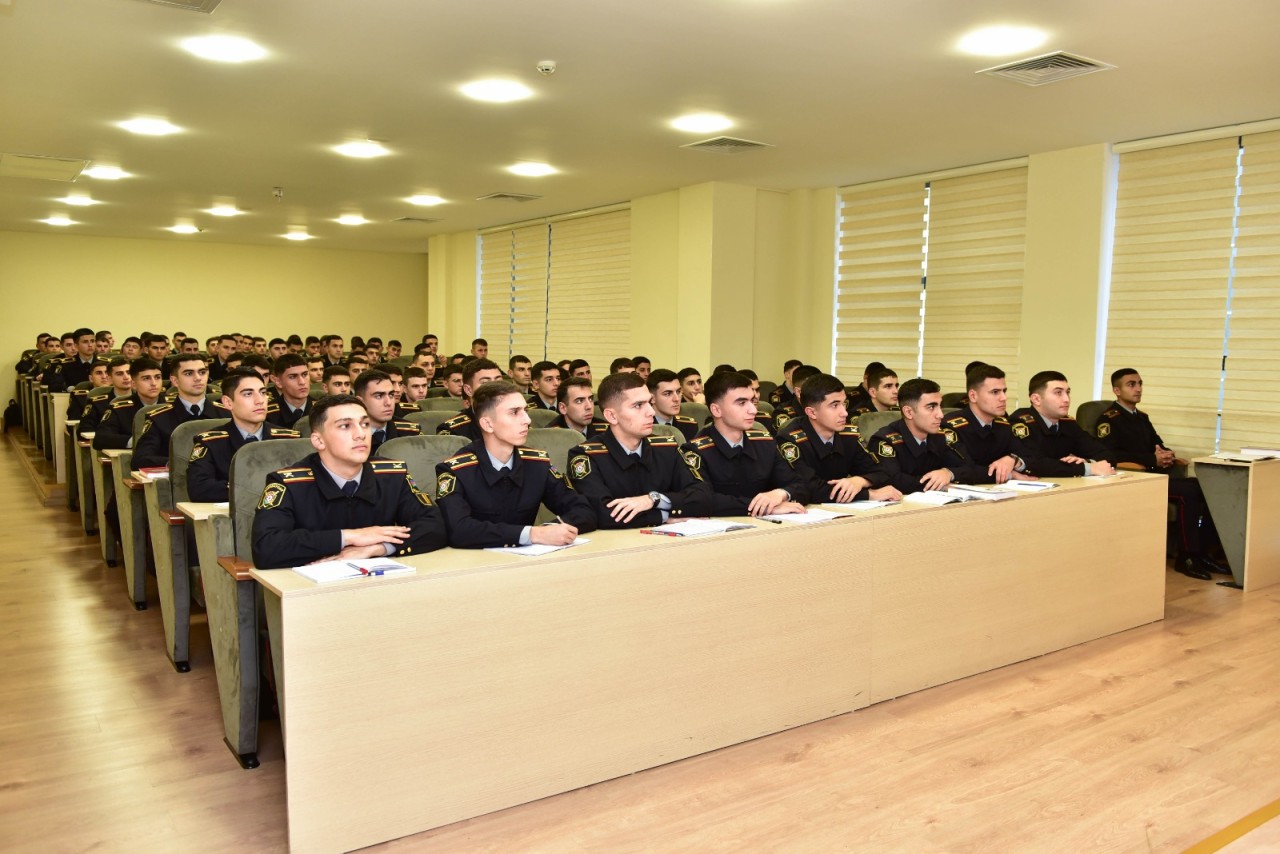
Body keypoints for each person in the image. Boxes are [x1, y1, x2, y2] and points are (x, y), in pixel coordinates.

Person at [251, 395, 447, 569]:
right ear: (319, 441)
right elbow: (266, 546)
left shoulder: (392, 475)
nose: (360, 434)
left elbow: (435, 525)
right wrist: (349, 537)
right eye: (345, 426)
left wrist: (378, 548)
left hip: (381, 583)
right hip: (312, 588)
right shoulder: (288, 483)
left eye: (365, 424)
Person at [1095, 368, 1225, 579]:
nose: (1138, 388)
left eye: (1140, 383)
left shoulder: (1141, 417)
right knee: (1188, 492)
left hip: (1154, 475)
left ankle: (1202, 552)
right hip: (1133, 478)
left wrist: (1167, 454)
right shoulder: (1109, 420)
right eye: (1131, 384)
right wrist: (1150, 459)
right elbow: (1109, 455)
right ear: (1116, 390)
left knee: (1205, 487)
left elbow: (1157, 443)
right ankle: (1186, 557)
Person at [434, 381, 596, 548]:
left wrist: (549, 530)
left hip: (529, 559)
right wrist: (531, 534)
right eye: (514, 412)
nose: (527, 420)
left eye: (525, 411)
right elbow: (459, 530)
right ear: (487, 424)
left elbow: (583, 510)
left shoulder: (537, 464)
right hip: (473, 560)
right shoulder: (456, 470)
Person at [567, 372, 712, 528]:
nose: (651, 412)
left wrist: (653, 499)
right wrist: (662, 516)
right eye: (638, 405)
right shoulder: (586, 456)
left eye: (649, 402)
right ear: (612, 416)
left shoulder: (666, 448)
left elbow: (703, 496)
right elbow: (602, 514)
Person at [681, 371, 807, 517]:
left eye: (752, 401)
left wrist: (781, 493)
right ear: (716, 410)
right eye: (741, 403)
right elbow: (702, 500)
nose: (753, 410)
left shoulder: (765, 444)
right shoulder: (695, 451)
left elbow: (800, 486)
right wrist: (763, 507)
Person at [778, 373, 901, 503]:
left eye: (844, 404)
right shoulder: (790, 440)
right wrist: (869, 495)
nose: (845, 413)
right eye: (834, 405)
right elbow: (808, 488)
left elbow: (881, 472)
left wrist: (860, 481)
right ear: (812, 412)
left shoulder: (848, 435)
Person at [187, 371, 301, 502]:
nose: (260, 401)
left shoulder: (289, 440)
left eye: (263, 392)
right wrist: (259, 488)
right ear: (228, 402)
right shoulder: (210, 442)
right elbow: (198, 488)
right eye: (248, 394)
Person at [869, 378, 984, 494]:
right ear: (908, 412)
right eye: (931, 407)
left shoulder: (940, 436)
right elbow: (891, 480)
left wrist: (948, 473)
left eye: (940, 406)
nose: (940, 415)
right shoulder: (884, 441)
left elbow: (969, 468)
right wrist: (939, 485)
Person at [131, 353, 230, 469]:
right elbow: (140, 459)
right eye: (189, 373)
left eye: (202, 372)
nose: (198, 378)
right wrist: (179, 464)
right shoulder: (159, 419)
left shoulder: (226, 414)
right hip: (176, 477)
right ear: (175, 380)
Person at [1009, 371, 1116, 477]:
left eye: (1067, 392)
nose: (1067, 399)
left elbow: (1107, 455)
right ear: (1036, 399)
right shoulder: (1021, 423)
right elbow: (1035, 464)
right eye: (1058, 393)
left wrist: (1088, 462)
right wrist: (1087, 468)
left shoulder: (1068, 423)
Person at [942, 364, 1034, 484]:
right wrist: (1010, 475)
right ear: (973, 396)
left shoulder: (1003, 425)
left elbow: (1032, 456)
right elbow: (965, 469)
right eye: (995, 392)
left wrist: (1013, 460)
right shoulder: (950, 426)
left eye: (1004, 391)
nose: (1003, 398)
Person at [92, 357, 165, 450]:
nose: (154, 383)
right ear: (133, 384)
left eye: (157, 377)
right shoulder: (119, 409)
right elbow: (100, 439)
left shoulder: (172, 405)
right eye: (146, 378)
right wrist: (135, 441)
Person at [354, 369, 421, 454]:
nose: (388, 402)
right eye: (379, 396)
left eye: (391, 395)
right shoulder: (350, 436)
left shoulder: (411, 433)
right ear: (360, 402)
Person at [439, 359, 505, 441]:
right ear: (468, 390)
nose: (495, 388)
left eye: (498, 382)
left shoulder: (515, 421)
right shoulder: (454, 431)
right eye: (485, 383)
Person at [78, 357, 133, 438]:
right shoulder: (97, 404)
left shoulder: (143, 399)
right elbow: (85, 430)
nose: (126, 377)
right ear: (110, 379)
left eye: (129, 372)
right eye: (119, 374)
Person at [648, 368, 699, 440]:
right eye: (668, 394)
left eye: (678, 392)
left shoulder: (689, 426)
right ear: (652, 398)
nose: (676, 399)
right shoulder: (644, 427)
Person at [268, 353, 313, 429]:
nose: (302, 382)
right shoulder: (267, 415)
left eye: (305, 374)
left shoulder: (323, 410)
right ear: (278, 382)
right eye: (292, 377)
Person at [771, 364, 822, 430]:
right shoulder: (783, 412)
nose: (820, 393)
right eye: (814, 389)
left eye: (821, 389)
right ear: (798, 392)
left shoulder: (825, 408)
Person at [45, 327, 97, 392]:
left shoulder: (104, 363)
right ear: (76, 345)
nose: (90, 345)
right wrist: (68, 388)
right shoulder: (65, 364)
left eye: (92, 341)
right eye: (85, 342)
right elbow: (55, 385)